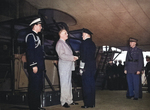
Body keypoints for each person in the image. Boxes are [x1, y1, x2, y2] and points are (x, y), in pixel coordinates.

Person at [25, 18, 45, 110]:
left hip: (39, 67)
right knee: (34, 87)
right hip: (35, 66)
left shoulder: (36, 36)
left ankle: (36, 106)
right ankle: (33, 107)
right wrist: (33, 65)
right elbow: (30, 52)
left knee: (38, 87)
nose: (41, 27)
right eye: (40, 25)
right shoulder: (30, 36)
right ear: (35, 25)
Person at [55, 28, 79, 108]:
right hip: (64, 67)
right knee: (64, 84)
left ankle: (69, 100)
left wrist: (72, 58)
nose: (67, 35)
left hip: (67, 66)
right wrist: (72, 58)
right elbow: (61, 56)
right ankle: (64, 101)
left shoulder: (64, 43)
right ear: (61, 35)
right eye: (65, 33)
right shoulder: (59, 43)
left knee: (68, 84)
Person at [79, 28, 96, 108]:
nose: (82, 36)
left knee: (86, 86)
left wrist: (81, 68)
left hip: (86, 67)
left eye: (82, 34)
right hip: (92, 67)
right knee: (92, 85)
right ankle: (92, 103)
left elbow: (83, 57)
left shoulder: (83, 44)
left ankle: (87, 104)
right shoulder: (93, 44)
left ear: (86, 34)